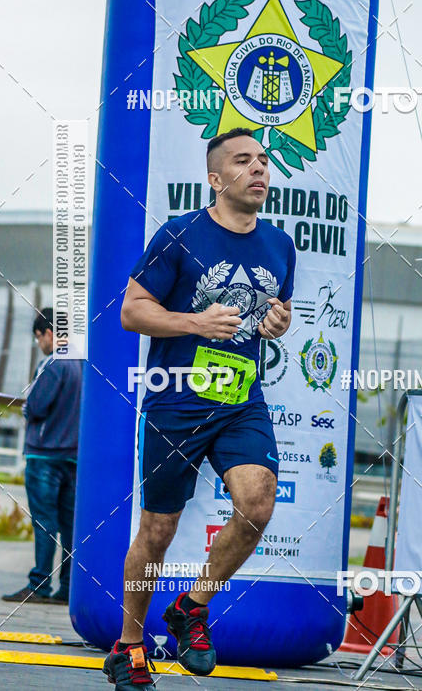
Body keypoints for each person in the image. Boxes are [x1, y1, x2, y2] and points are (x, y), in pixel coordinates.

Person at [103, 128, 296, 688]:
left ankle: (192, 606)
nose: (259, 169)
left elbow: (275, 312)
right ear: (215, 178)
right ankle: (130, 646)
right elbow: (132, 312)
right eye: (244, 161)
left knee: (257, 503)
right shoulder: (179, 235)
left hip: (241, 401)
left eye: (263, 160)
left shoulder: (280, 245)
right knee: (158, 530)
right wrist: (194, 322)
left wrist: (278, 323)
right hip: (177, 402)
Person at [2, 307, 82, 604]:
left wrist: (24, 408)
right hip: (73, 456)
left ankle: (38, 585)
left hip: (44, 455)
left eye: (39, 337)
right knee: (70, 525)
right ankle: (67, 588)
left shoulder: (53, 364)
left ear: (49, 333)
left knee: (45, 522)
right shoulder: (83, 364)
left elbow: (34, 407)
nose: (39, 343)